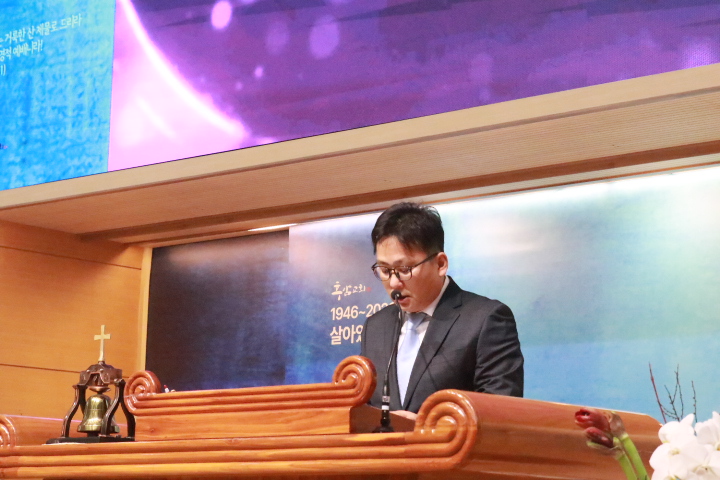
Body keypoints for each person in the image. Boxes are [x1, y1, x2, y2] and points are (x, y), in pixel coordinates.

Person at [360, 202, 524, 417]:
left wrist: (427, 427)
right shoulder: (375, 327)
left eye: (404, 269)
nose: (394, 283)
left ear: (440, 264)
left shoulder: (486, 319)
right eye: (384, 270)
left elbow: (501, 411)